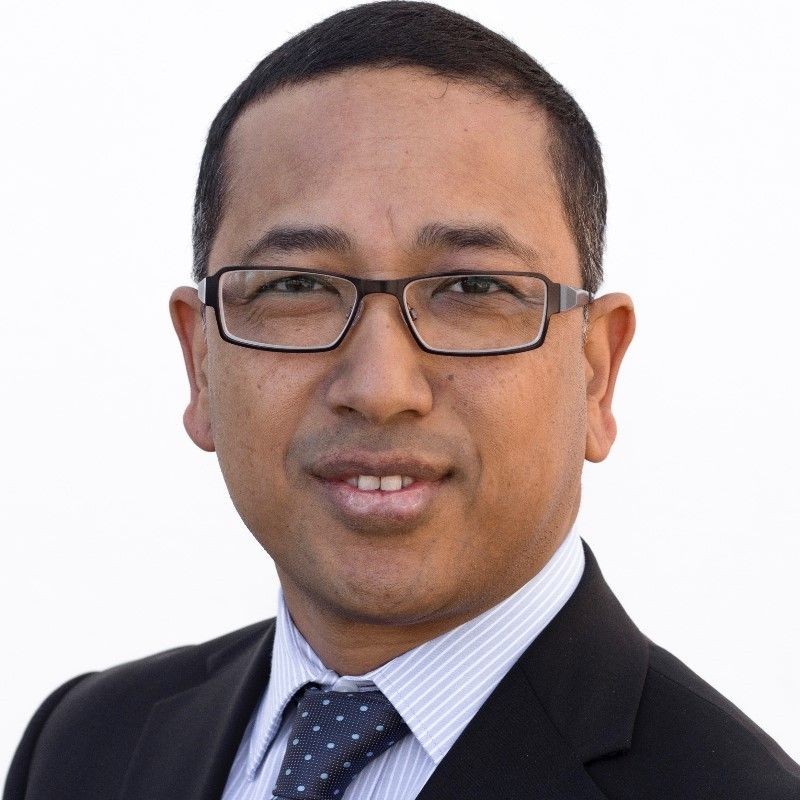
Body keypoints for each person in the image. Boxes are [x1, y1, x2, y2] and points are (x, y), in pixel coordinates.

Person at [5, 2, 799, 798]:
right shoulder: (83, 746)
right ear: (201, 363)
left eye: (473, 286)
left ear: (596, 371)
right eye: (297, 286)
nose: (381, 388)